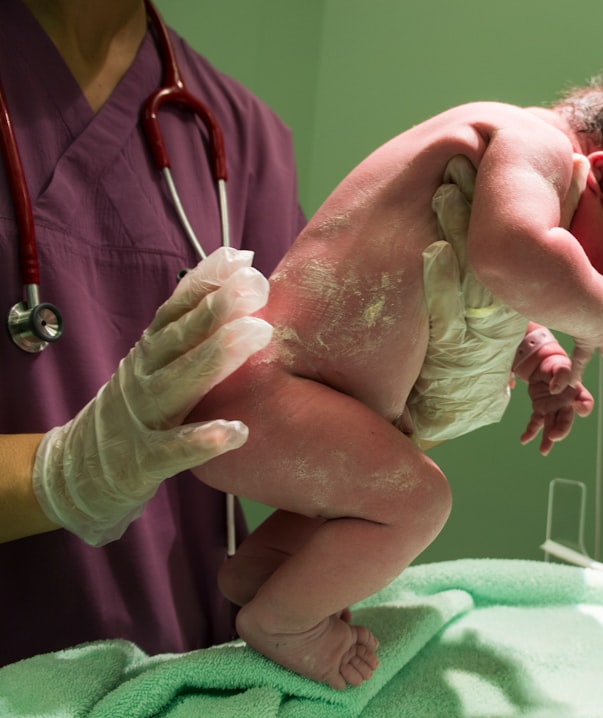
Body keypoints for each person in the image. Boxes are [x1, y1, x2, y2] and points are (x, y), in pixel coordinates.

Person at [187, 82, 603, 689]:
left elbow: (471, 296)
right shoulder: (534, 140)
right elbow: (514, 256)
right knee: (416, 502)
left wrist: (540, 354)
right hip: (271, 388)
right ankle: (286, 624)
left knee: (382, 473)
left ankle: (267, 573)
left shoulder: (495, 184)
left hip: (291, 400)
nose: (597, 287)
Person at [0, 0, 306, 668]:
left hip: (184, 671)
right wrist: (64, 475)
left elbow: (311, 410)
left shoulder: (239, 133)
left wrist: (454, 340)